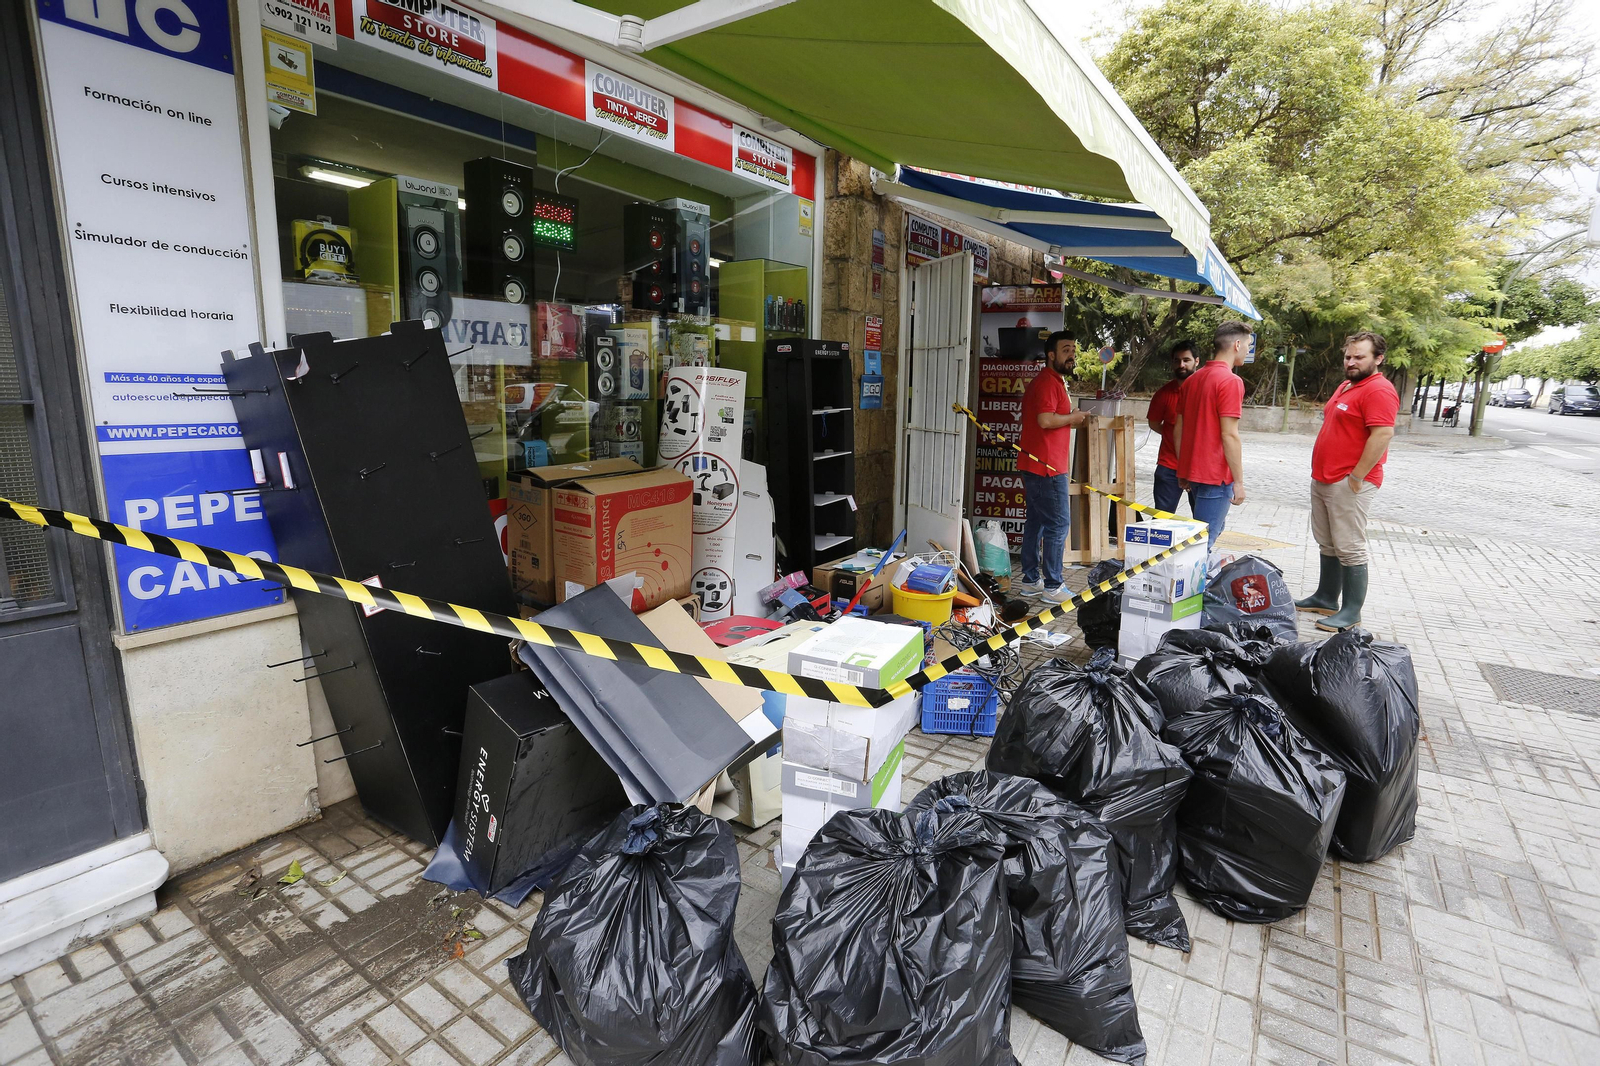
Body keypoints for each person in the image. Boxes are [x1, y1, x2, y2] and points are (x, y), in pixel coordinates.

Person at [1295, 331, 1398, 631]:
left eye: (1359, 357)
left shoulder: (1378, 390)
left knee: (1349, 546)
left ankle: (1351, 611)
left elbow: (1382, 434)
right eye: (1348, 356)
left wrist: (1356, 477)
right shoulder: (1346, 386)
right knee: (1327, 543)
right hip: (1325, 478)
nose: (1351, 362)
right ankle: (1327, 597)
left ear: (1378, 359)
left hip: (1349, 482)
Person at [1018, 330, 1090, 601]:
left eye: (1073, 349)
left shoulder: (1053, 381)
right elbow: (1046, 420)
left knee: (1036, 522)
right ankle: (1052, 586)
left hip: (1040, 465)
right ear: (1051, 355)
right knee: (1058, 525)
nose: (1071, 355)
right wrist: (1073, 417)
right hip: (1046, 467)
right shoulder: (1047, 383)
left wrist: (1071, 416)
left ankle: (1030, 580)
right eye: (1065, 350)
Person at [1175, 321, 1251, 552]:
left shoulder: (1192, 380)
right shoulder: (1230, 381)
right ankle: (1192, 588)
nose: (1248, 350)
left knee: (1199, 538)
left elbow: (1179, 427)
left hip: (1194, 474)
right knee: (1202, 545)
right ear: (1237, 344)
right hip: (1215, 476)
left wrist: (1183, 467)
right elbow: (1229, 435)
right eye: (1248, 344)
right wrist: (1238, 482)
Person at [1146, 340, 1199, 514]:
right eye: (1176, 360)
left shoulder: (1205, 391)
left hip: (1199, 467)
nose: (1181, 365)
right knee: (1162, 520)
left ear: (1196, 361)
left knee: (1204, 522)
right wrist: (1173, 436)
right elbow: (1153, 423)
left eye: (1186, 360)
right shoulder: (1163, 394)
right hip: (1168, 467)